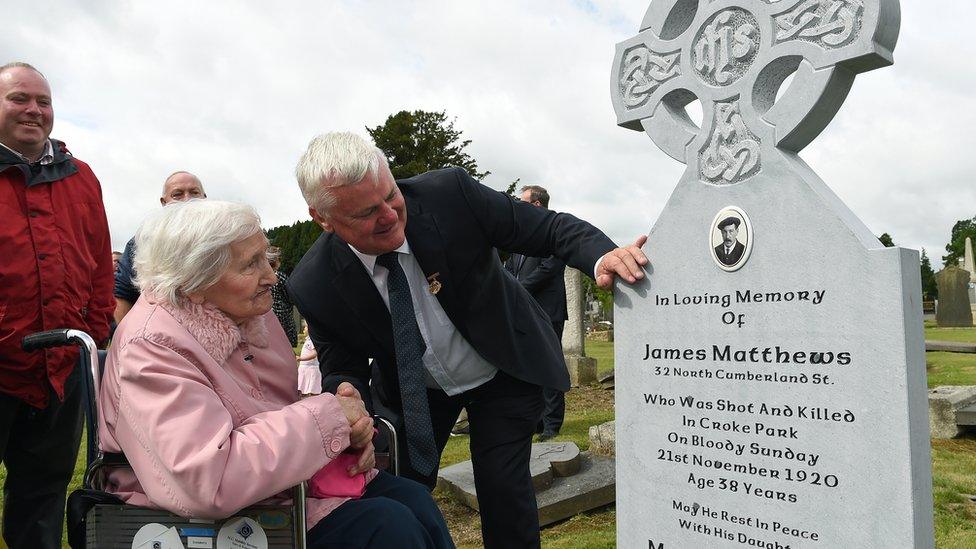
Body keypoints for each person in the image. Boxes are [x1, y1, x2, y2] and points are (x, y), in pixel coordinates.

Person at [288, 132, 647, 548]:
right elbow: (342, 368)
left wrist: (603, 256)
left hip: (503, 370)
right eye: (367, 212)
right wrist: (346, 399)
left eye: (391, 195)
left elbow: (548, 229)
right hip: (415, 393)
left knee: (504, 495)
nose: (389, 216)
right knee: (401, 493)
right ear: (324, 219)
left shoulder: (449, 195)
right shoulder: (314, 284)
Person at [100, 199, 453, 548]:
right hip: (200, 521)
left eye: (266, 257)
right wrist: (328, 420)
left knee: (414, 500)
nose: (271, 276)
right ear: (194, 280)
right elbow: (208, 479)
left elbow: (271, 411)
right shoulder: (151, 346)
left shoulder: (248, 316)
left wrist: (346, 433)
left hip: (280, 491)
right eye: (251, 265)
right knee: (388, 527)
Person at [0, 61, 114, 549]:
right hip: (2, 368)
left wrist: (94, 332)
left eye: (43, 101)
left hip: (60, 372)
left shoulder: (81, 177)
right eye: (19, 98)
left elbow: (99, 267)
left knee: (42, 498)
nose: (33, 110)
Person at [505, 185, 567, 442]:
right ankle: (537, 420)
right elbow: (510, 266)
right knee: (529, 366)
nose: (519, 205)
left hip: (547, 309)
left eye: (523, 201)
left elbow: (549, 267)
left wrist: (516, 288)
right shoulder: (521, 233)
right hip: (524, 308)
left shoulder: (553, 229)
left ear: (537, 204)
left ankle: (552, 424)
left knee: (549, 364)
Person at [113, 170, 206, 322]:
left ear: (204, 198)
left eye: (194, 193)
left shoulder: (228, 238)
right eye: (177, 194)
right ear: (164, 203)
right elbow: (123, 293)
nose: (188, 199)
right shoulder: (142, 242)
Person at [268, 245, 299, 346]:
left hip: (268, 314)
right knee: (286, 344)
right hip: (282, 314)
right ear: (276, 261)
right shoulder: (278, 276)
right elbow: (291, 294)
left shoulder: (263, 276)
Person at [298, 328, 323, 396]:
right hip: (305, 367)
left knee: (313, 389)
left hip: (311, 367)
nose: (303, 329)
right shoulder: (308, 340)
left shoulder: (312, 341)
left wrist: (301, 358)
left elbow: (314, 354)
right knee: (303, 388)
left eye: (305, 328)